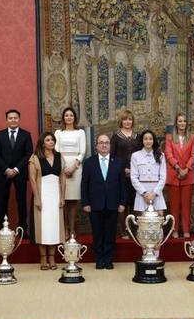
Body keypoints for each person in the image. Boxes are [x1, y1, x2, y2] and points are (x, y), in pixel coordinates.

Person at [81, 134, 127, 269]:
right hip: (95, 204)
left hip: (113, 204)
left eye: (106, 142)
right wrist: (85, 203)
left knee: (110, 234)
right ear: (96, 146)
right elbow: (84, 184)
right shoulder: (89, 162)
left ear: (110, 146)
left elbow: (122, 184)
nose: (104, 145)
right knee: (97, 233)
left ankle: (108, 260)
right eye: (101, 143)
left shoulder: (118, 162)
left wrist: (122, 203)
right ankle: (99, 260)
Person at [28, 132, 66, 270]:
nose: (51, 142)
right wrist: (37, 198)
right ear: (42, 143)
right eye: (48, 140)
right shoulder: (35, 158)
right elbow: (32, 179)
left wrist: (62, 197)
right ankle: (43, 258)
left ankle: (52, 257)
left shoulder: (59, 157)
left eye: (52, 140)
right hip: (42, 195)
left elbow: (62, 178)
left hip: (55, 196)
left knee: (54, 227)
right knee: (42, 228)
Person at [0, 109, 33, 235]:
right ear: (7, 120)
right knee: (3, 200)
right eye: (10, 118)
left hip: (20, 173)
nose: (13, 120)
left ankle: (22, 229)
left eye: (15, 118)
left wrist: (16, 169)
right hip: (3, 173)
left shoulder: (26, 135)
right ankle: (1, 227)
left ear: (19, 119)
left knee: (21, 200)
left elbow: (28, 154)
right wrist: (6, 169)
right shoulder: (0, 135)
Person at [55, 107, 85, 238]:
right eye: (66, 115)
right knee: (62, 199)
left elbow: (83, 151)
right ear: (63, 118)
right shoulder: (58, 133)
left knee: (72, 200)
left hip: (76, 168)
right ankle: (64, 229)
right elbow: (55, 151)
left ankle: (72, 229)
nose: (68, 117)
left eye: (71, 115)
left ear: (74, 118)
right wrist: (63, 167)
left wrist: (74, 166)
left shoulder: (80, 133)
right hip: (61, 168)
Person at [165, 113, 194, 238]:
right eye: (180, 121)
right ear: (176, 123)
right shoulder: (169, 137)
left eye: (184, 121)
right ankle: (175, 230)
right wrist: (178, 168)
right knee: (174, 206)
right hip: (174, 175)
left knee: (186, 206)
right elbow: (168, 154)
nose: (182, 123)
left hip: (188, 176)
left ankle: (186, 229)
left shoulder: (193, 137)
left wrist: (186, 169)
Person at [111, 110, 141, 238]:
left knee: (134, 202)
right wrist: (122, 169)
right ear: (121, 121)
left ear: (133, 121)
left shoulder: (138, 136)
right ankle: (123, 230)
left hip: (136, 175)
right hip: (120, 174)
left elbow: (141, 155)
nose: (127, 122)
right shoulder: (116, 136)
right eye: (125, 119)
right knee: (122, 201)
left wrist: (134, 170)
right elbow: (112, 156)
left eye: (130, 119)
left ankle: (133, 229)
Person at [130, 130, 167, 213]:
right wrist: (144, 194)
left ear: (153, 141)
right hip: (141, 194)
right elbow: (134, 177)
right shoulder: (135, 156)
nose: (148, 141)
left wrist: (154, 193)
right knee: (142, 223)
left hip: (157, 192)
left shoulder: (160, 155)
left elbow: (163, 177)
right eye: (145, 139)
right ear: (142, 141)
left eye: (150, 139)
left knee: (159, 220)